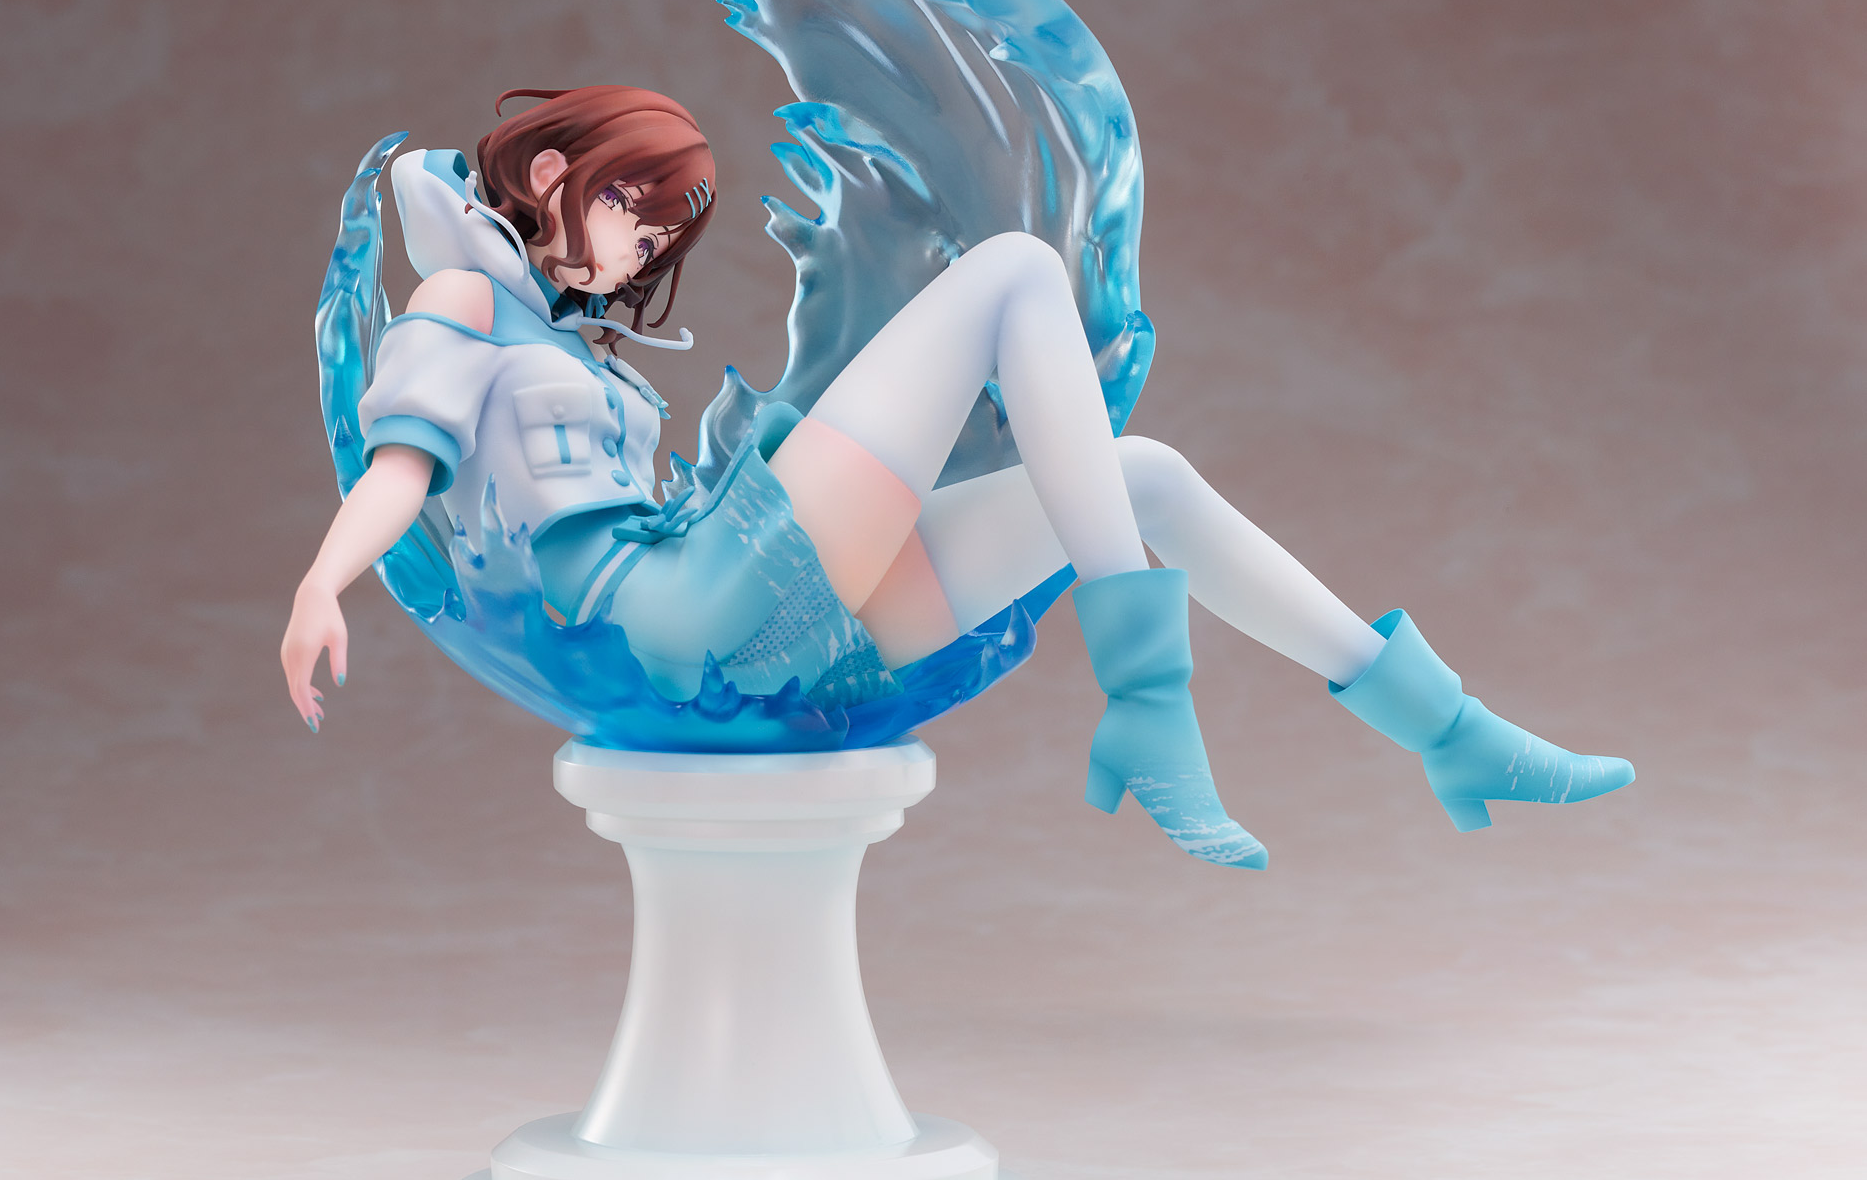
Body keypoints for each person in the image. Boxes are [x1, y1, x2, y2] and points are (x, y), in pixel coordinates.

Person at [280, 85, 1632, 869]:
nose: (645, 255)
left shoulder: (559, 335)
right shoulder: (463, 295)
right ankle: (1146, 704)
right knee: (1014, 274)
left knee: (1143, 477)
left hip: (744, 624)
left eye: (663, 235)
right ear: (556, 173)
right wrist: (321, 585)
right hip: (685, 613)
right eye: (640, 217)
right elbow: (404, 463)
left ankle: (1448, 734)